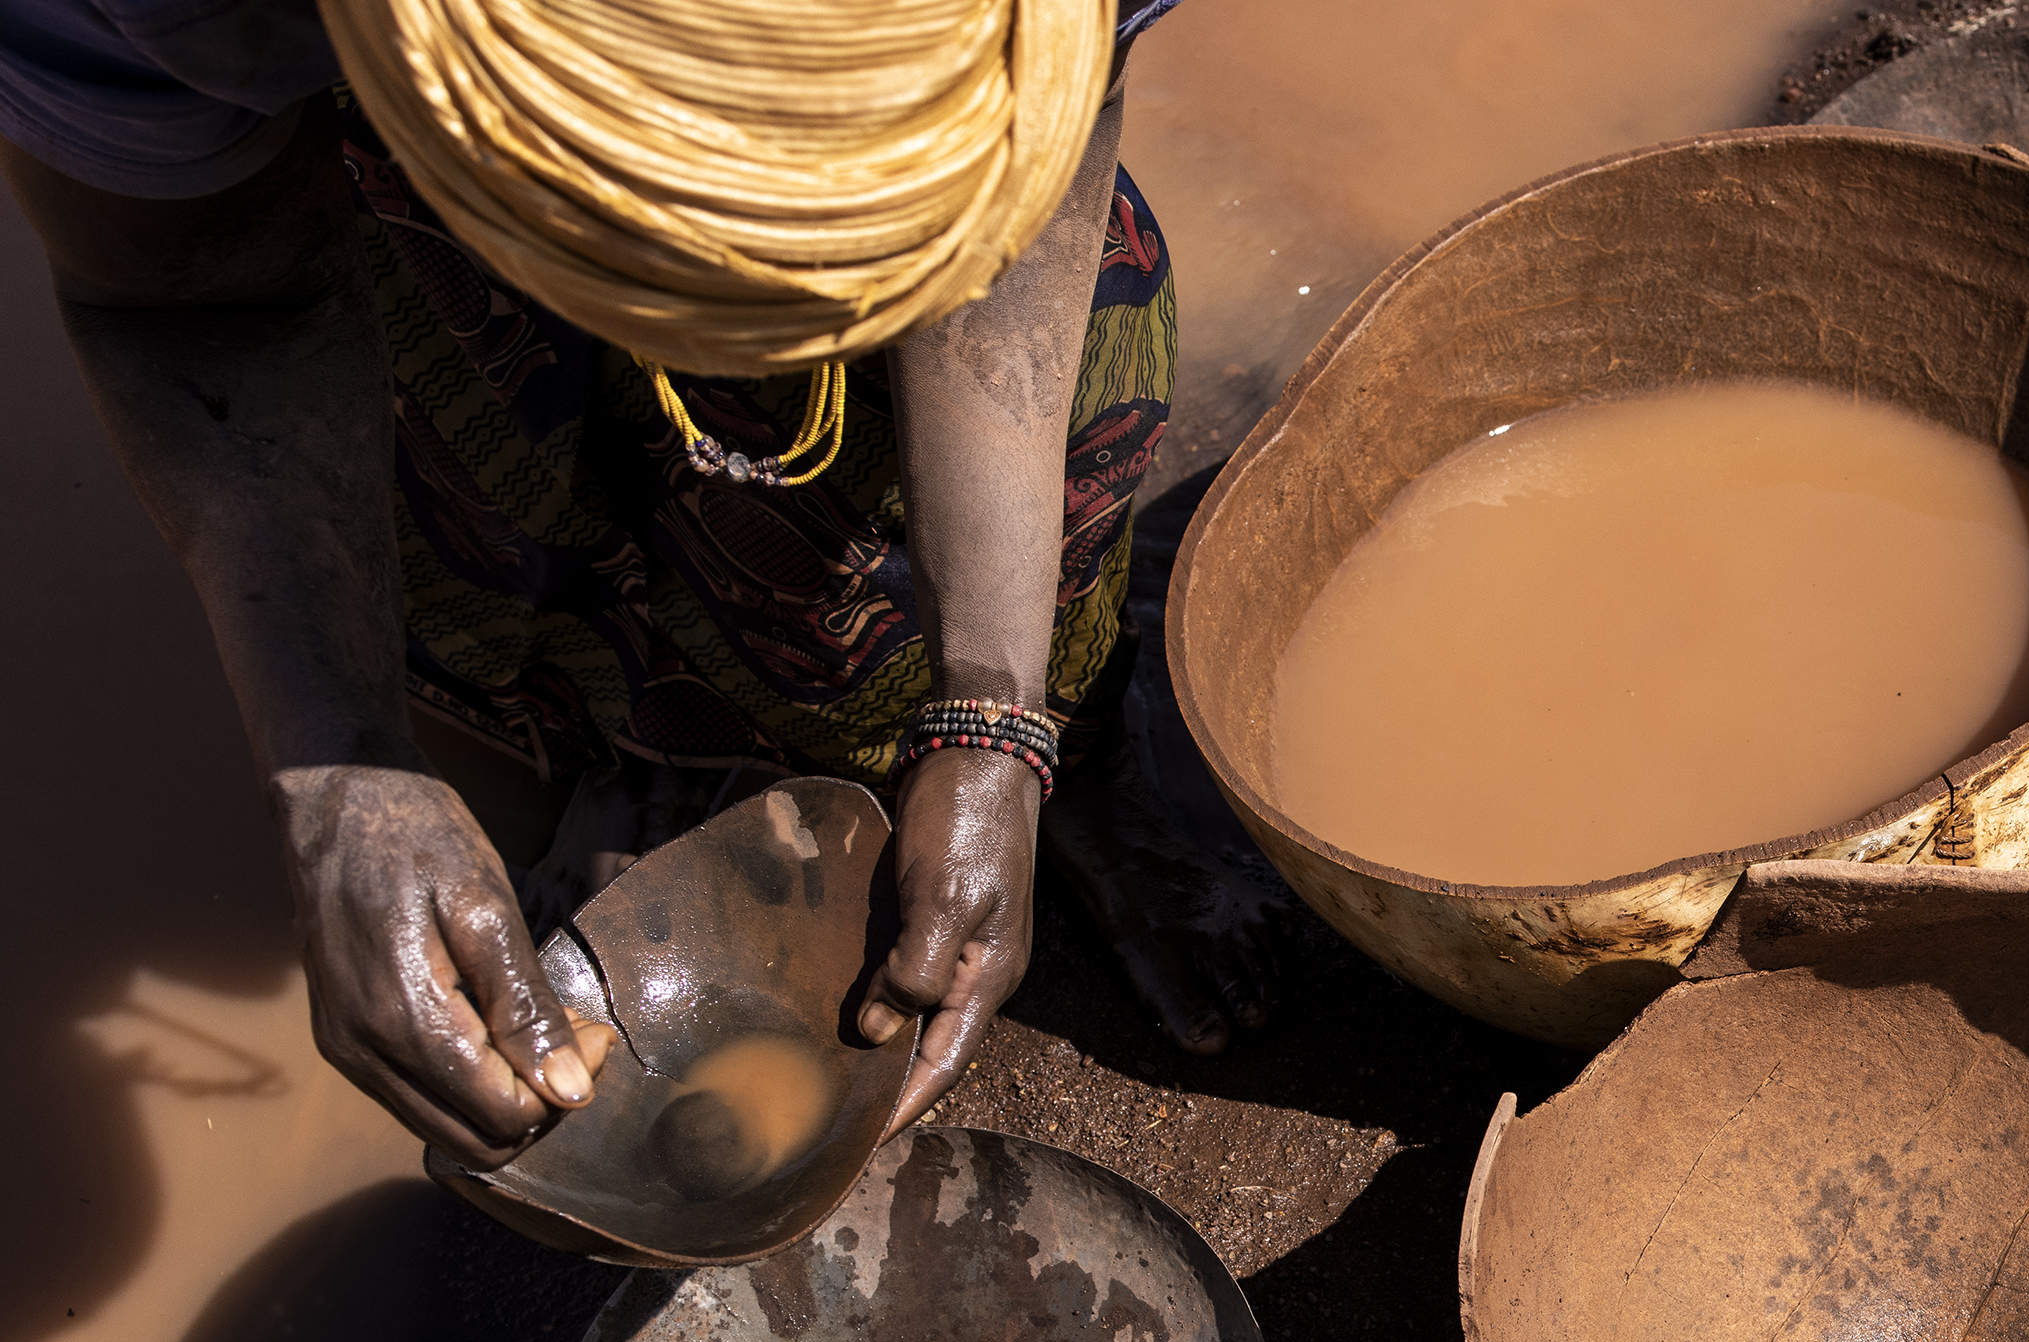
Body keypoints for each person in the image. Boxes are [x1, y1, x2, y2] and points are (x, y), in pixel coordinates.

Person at [0, 0, 1276, 1170]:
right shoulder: (186, 12)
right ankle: (638, 740)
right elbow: (205, 300)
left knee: (957, 486)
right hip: (381, 173)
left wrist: (1000, 708)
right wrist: (338, 765)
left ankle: (1078, 739)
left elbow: (1039, 170)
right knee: (470, 475)